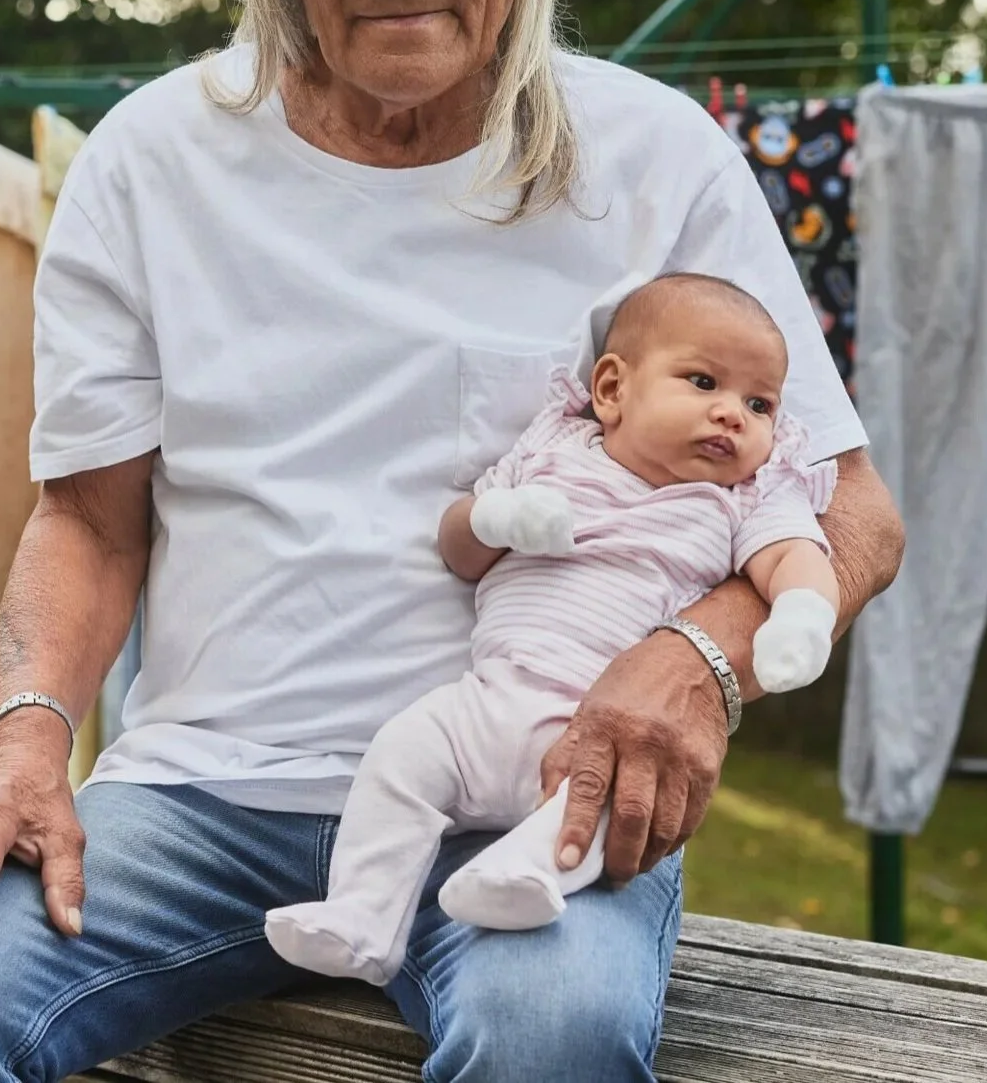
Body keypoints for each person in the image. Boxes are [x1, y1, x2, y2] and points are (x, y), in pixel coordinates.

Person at [0, 0, 904, 1083]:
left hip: (529, 789)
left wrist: (694, 660)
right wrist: (24, 740)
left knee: (553, 1036)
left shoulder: (654, 159)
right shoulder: (154, 161)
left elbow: (852, 512)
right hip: (201, 795)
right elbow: (89, 523)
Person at [264, 273, 845, 985]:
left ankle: (524, 875)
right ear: (610, 389)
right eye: (703, 381)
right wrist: (497, 518)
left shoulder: (738, 500)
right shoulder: (551, 450)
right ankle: (361, 917)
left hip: (601, 725)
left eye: (759, 404)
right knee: (402, 758)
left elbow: (797, 556)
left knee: (597, 805)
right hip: (485, 701)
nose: (733, 415)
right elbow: (458, 547)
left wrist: (803, 616)